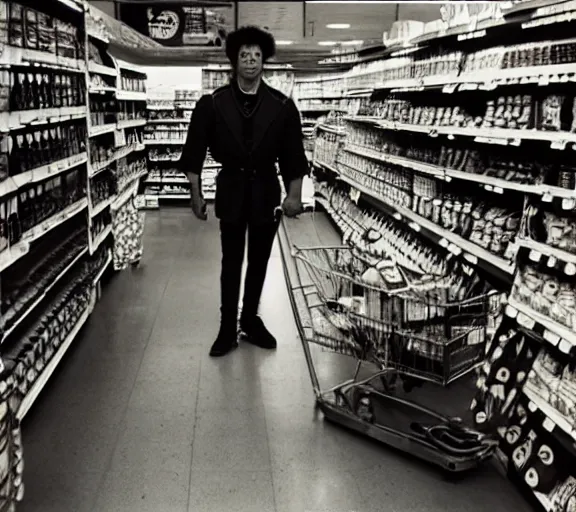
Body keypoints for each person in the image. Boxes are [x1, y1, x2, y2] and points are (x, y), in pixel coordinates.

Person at [178, 26, 308, 357]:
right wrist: (195, 194)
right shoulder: (213, 104)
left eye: (256, 56)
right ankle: (227, 328)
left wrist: (294, 196)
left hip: (266, 188)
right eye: (244, 55)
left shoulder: (282, 107)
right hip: (231, 189)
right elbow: (194, 151)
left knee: (260, 261)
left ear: (264, 61)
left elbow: (294, 155)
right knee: (231, 261)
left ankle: (249, 319)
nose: (250, 61)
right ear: (235, 61)